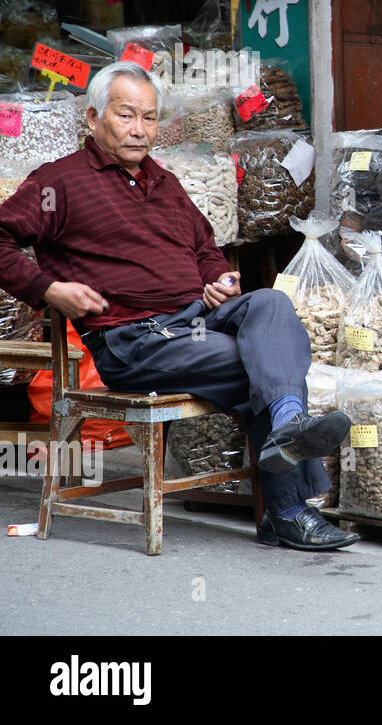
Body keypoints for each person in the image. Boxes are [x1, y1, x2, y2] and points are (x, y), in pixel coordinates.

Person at [0, 61, 358, 551]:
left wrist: (219, 278)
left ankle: (287, 428)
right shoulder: (58, 184)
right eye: (126, 116)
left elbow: (206, 249)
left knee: (271, 303)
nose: (139, 130)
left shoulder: (163, 183)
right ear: (92, 118)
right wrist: (48, 289)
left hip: (197, 320)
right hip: (136, 340)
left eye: (149, 118)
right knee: (262, 364)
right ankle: (288, 507)